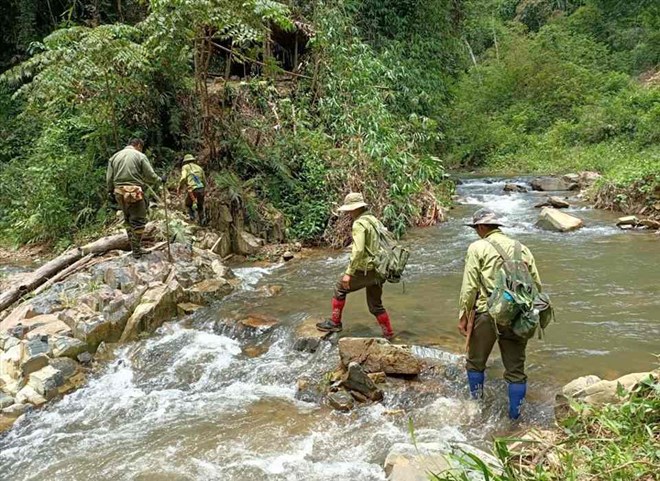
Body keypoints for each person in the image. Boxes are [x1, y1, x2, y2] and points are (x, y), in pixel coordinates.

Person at [458, 208, 542, 420]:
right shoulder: (522, 248)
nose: (477, 231)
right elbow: (536, 285)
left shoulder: (477, 247)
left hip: (487, 313)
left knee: (475, 362)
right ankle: (515, 418)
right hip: (517, 315)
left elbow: (469, 286)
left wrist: (464, 314)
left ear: (482, 227)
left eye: (477, 228)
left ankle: (476, 406)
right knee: (516, 370)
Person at [316, 192, 394, 340]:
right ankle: (389, 334)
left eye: (349, 210)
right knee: (375, 305)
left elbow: (358, 250)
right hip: (380, 267)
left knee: (339, 288)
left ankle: (335, 322)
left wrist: (349, 273)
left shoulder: (358, 223)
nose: (348, 212)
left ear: (354, 209)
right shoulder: (373, 220)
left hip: (367, 269)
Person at [106, 138, 163, 259]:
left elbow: (109, 178)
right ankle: (136, 250)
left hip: (119, 193)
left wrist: (110, 191)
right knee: (139, 221)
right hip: (134, 192)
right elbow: (150, 175)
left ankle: (134, 247)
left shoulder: (114, 157)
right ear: (138, 145)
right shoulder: (139, 155)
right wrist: (160, 180)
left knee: (127, 220)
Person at [177, 154, 206, 225]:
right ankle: (202, 221)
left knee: (188, 204)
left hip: (192, 189)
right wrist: (203, 189)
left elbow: (183, 178)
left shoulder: (185, 167)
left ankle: (192, 218)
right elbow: (204, 180)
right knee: (200, 206)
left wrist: (179, 187)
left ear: (185, 161)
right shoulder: (199, 168)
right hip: (201, 188)